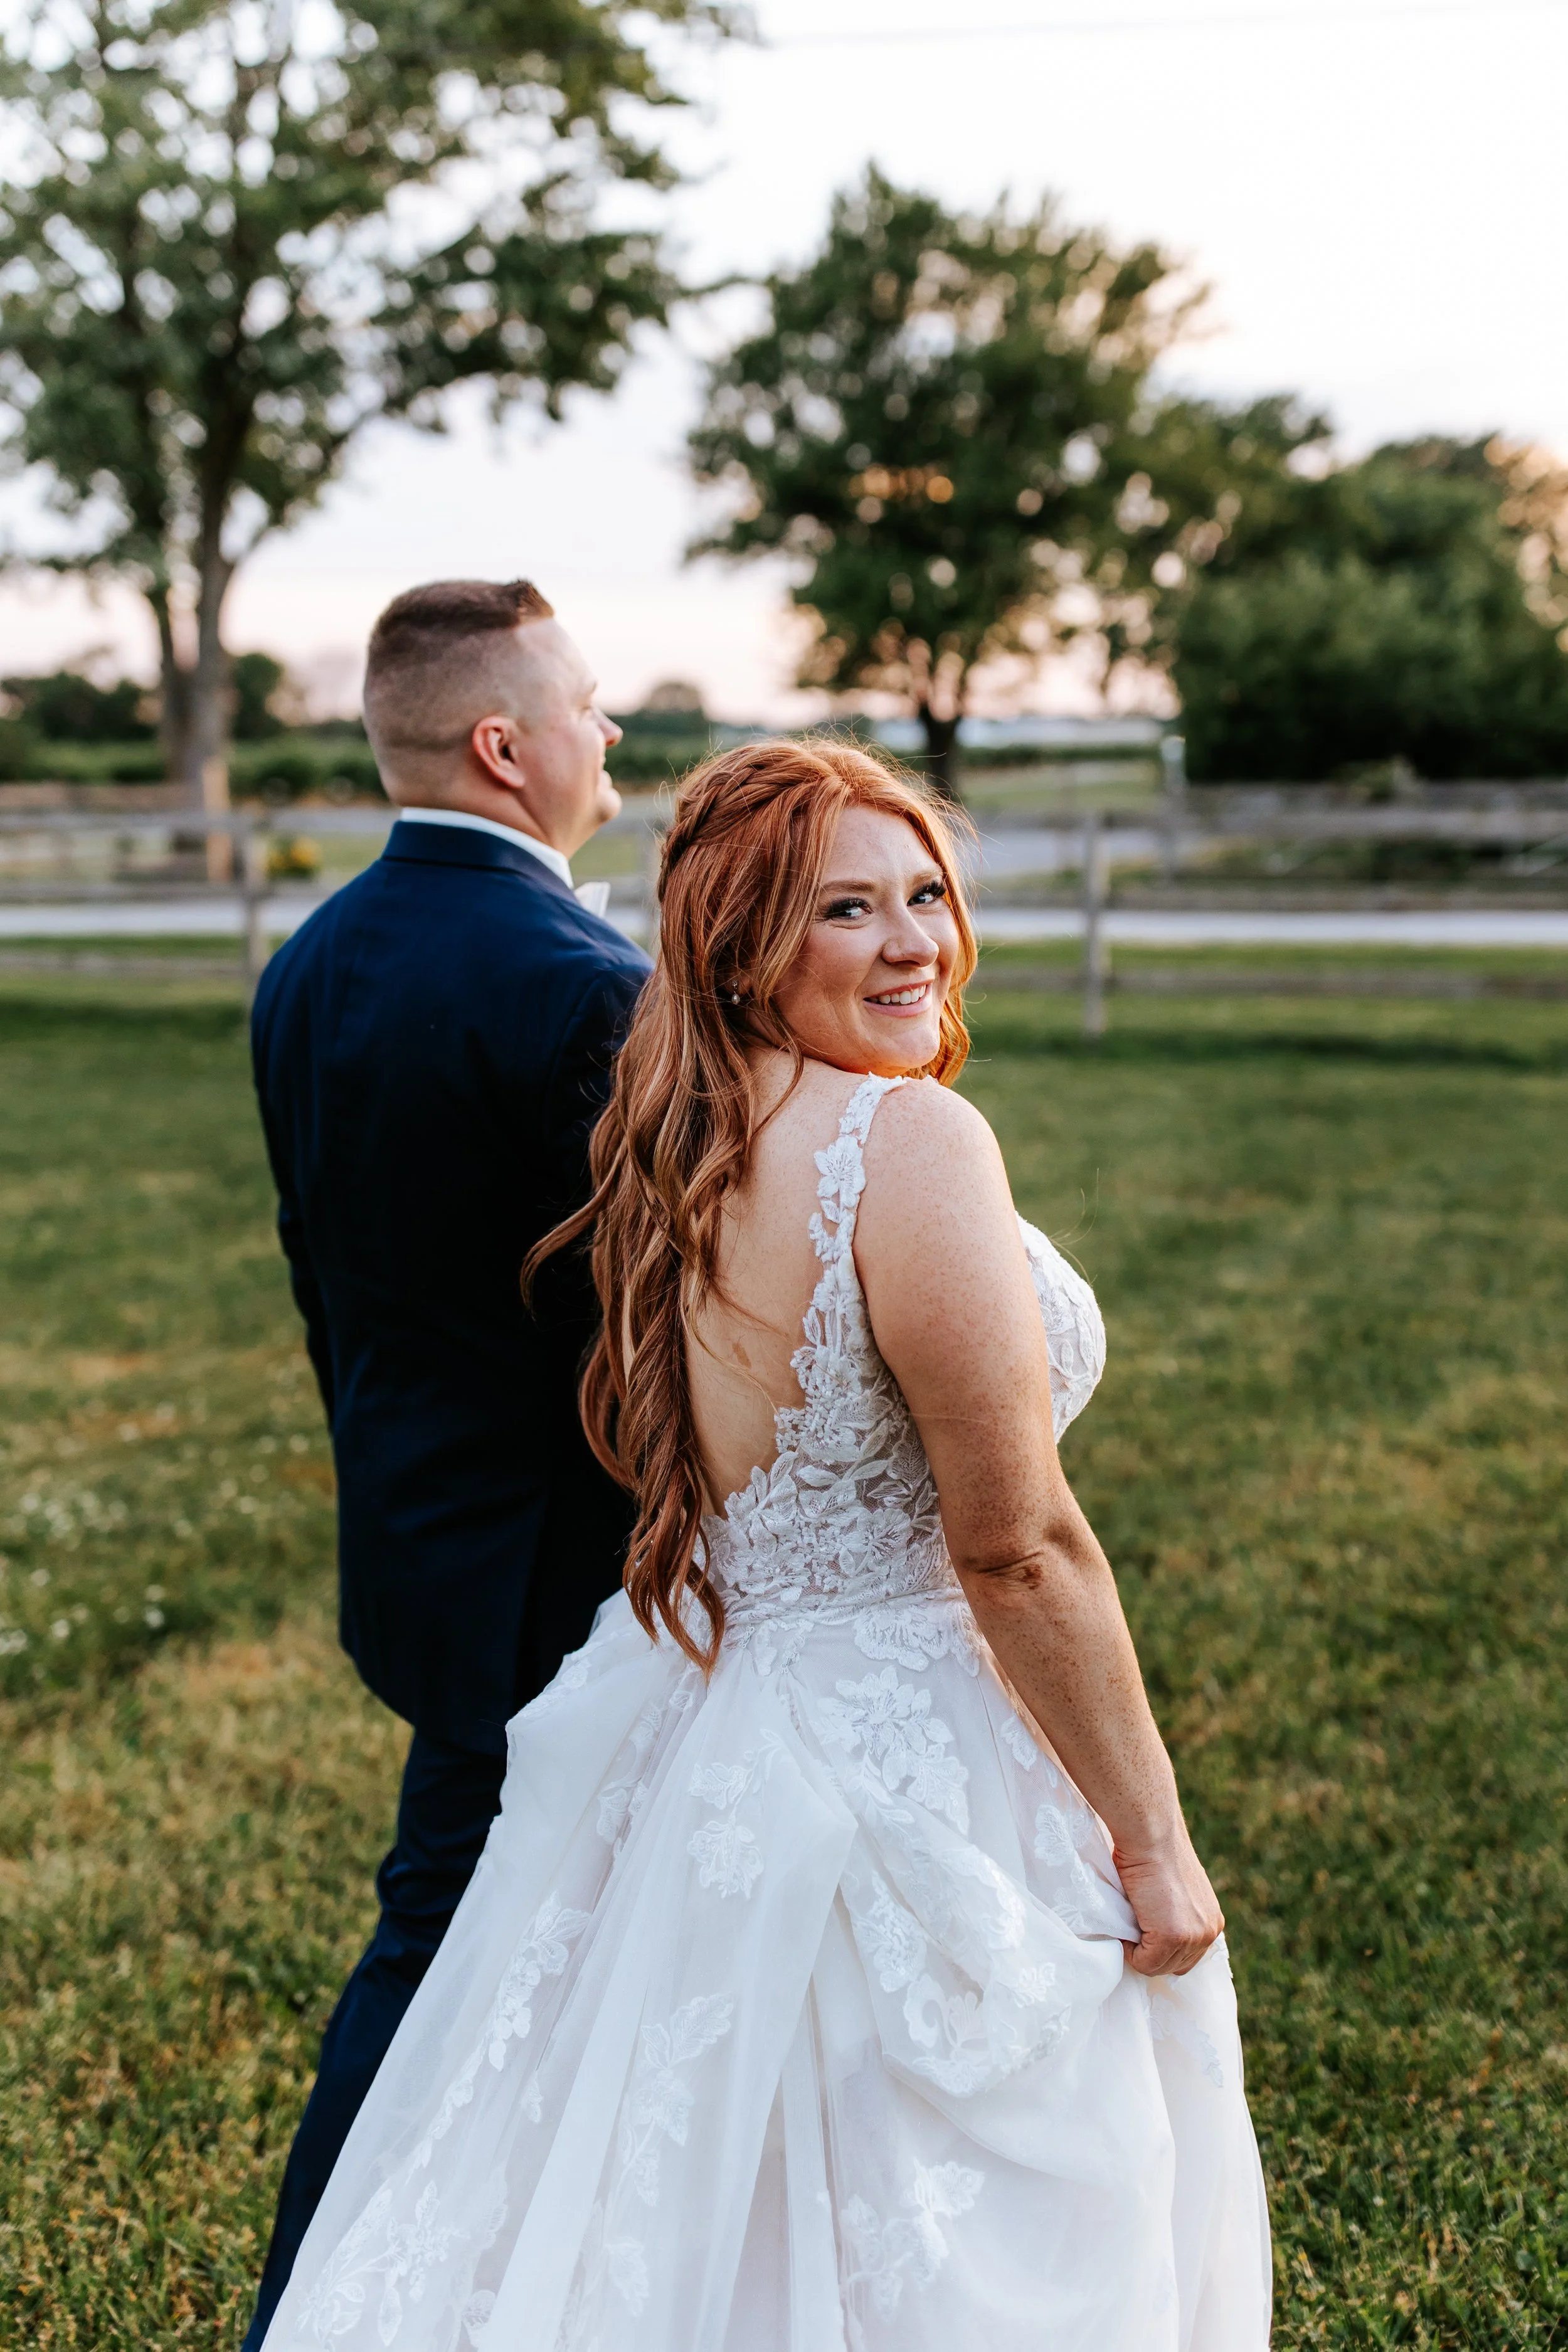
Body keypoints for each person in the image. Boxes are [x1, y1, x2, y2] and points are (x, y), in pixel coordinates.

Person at [258, 739, 1271, 2351]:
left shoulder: (679, 1144)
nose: (912, 943)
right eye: (845, 911)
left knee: (722, 2194)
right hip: (901, 1726)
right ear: (742, 946)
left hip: (725, 1708)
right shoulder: (906, 1144)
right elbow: (1016, 1547)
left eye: (925, 894)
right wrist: (1148, 1835)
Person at [244, 578, 650, 2350]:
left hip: (421, 1548)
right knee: (445, 1951)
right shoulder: (583, 991)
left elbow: (332, 1289)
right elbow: (668, 1335)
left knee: (478, 1933)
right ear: (505, 744)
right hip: (579, 1575)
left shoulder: (308, 960)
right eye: (586, 703)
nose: (609, 731)